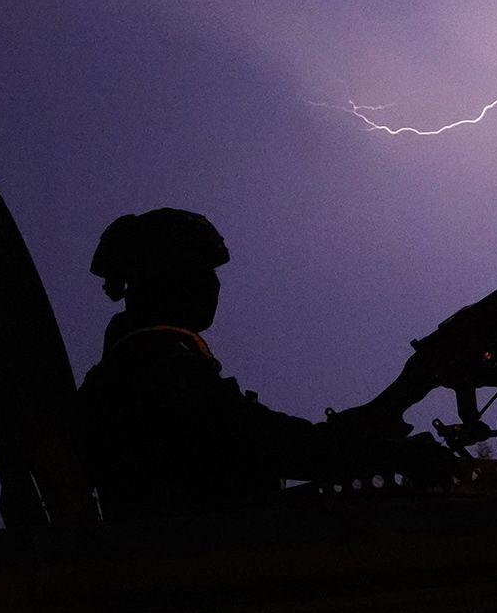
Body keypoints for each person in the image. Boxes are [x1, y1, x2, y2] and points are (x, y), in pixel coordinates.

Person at [76, 207, 447, 518]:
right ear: (167, 274)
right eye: (202, 269)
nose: (214, 284)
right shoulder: (154, 367)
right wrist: (398, 456)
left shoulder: (138, 363)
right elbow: (267, 441)